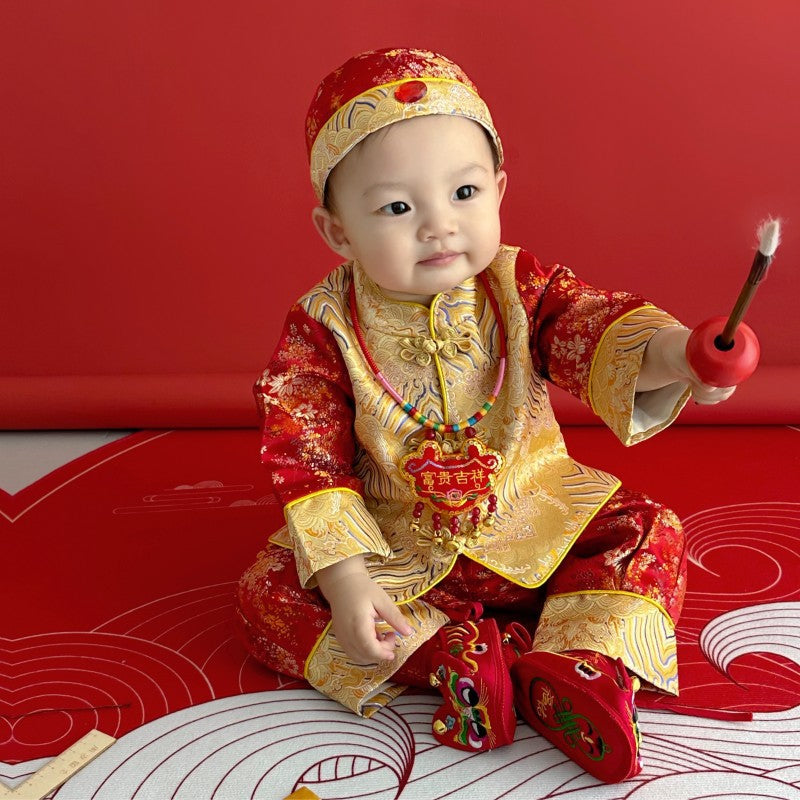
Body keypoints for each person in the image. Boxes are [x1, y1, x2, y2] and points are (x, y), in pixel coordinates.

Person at [236, 47, 735, 783]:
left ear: (499, 188)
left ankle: (577, 667)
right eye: (398, 208)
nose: (439, 226)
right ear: (337, 231)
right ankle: (455, 660)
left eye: (464, 193)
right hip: (399, 548)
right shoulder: (323, 326)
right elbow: (302, 447)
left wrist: (680, 356)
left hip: (535, 516)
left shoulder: (518, 284)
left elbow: (589, 327)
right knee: (265, 591)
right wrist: (345, 579)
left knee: (648, 527)